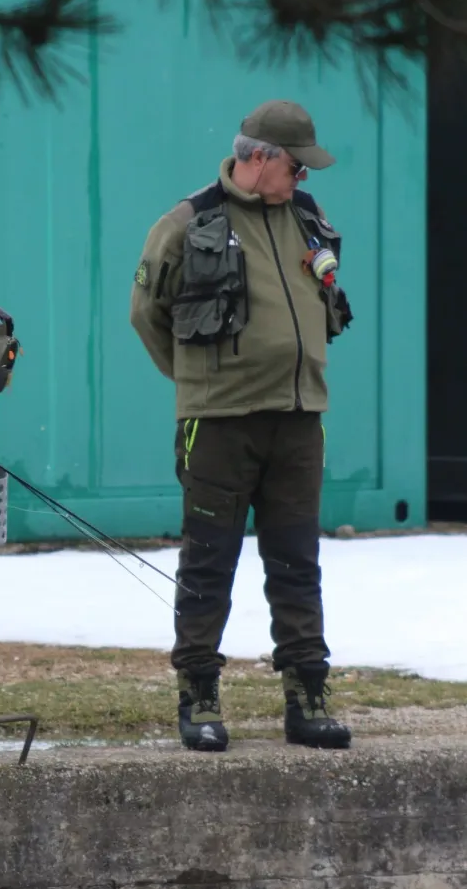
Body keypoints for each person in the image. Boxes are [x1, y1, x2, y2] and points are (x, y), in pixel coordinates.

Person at [130, 99, 353, 753]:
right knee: (207, 562)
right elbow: (147, 310)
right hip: (219, 424)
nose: (302, 179)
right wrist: (198, 385)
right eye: (295, 166)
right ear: (258, 157)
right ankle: (198, 694)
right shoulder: (189, 222)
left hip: (298, 418)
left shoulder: (306, 219)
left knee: (297, 560)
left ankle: (307, 694)